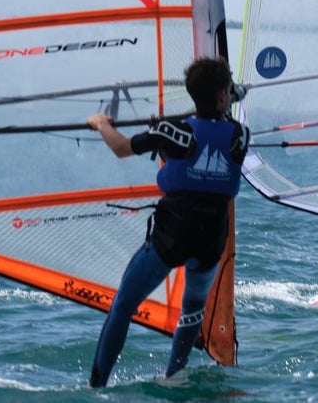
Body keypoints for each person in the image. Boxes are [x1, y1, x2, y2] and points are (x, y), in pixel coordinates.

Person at [84, 56, 249, 387]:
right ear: (222, 95)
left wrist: (101, 123)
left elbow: (121, 148)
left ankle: (97, 385)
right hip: (212, 239)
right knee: (192, 311)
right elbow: (220, 117)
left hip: (173, 235)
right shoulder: (240, 135)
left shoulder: (174, 133)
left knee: (123, 306)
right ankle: (174, 376)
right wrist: (234, 93)